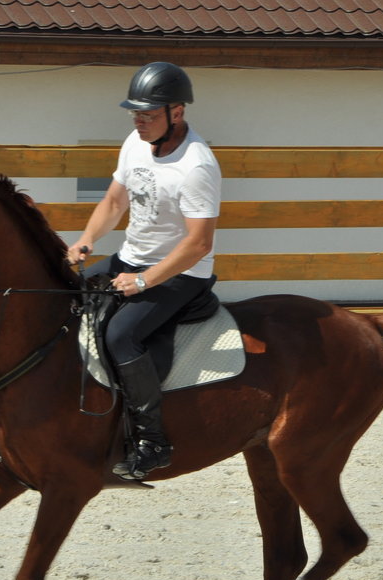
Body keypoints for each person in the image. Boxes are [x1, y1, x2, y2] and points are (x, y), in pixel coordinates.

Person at [68, 62, 222, 480]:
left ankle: (152, 442)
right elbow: (115, 203)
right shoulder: (135, 144)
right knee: (64, 294)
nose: (139, 121)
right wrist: (86, 240)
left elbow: (199, 244)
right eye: (135, 113)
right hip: (131, 256)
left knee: (121, 335)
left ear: (178, 112)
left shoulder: (197, 166)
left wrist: (143, 281)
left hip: (180, 274)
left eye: (148, 114)